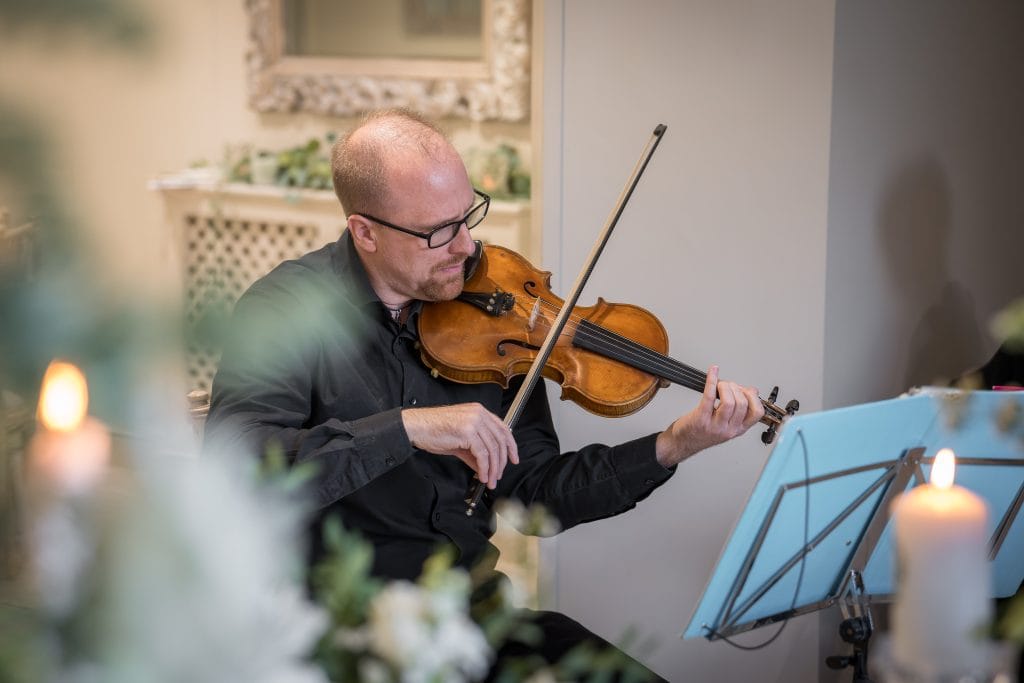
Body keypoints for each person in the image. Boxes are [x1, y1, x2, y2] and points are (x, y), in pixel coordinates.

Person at [204, 108, 765, 681]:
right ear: (365, 232)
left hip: (471, 621)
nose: (466, 247)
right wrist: (408, 428)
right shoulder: (285, 311)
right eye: (437, 232)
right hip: (345, 635)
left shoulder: (497, 319)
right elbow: (236, 462)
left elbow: (538, 495)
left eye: (467, 216)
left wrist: (676, 443)